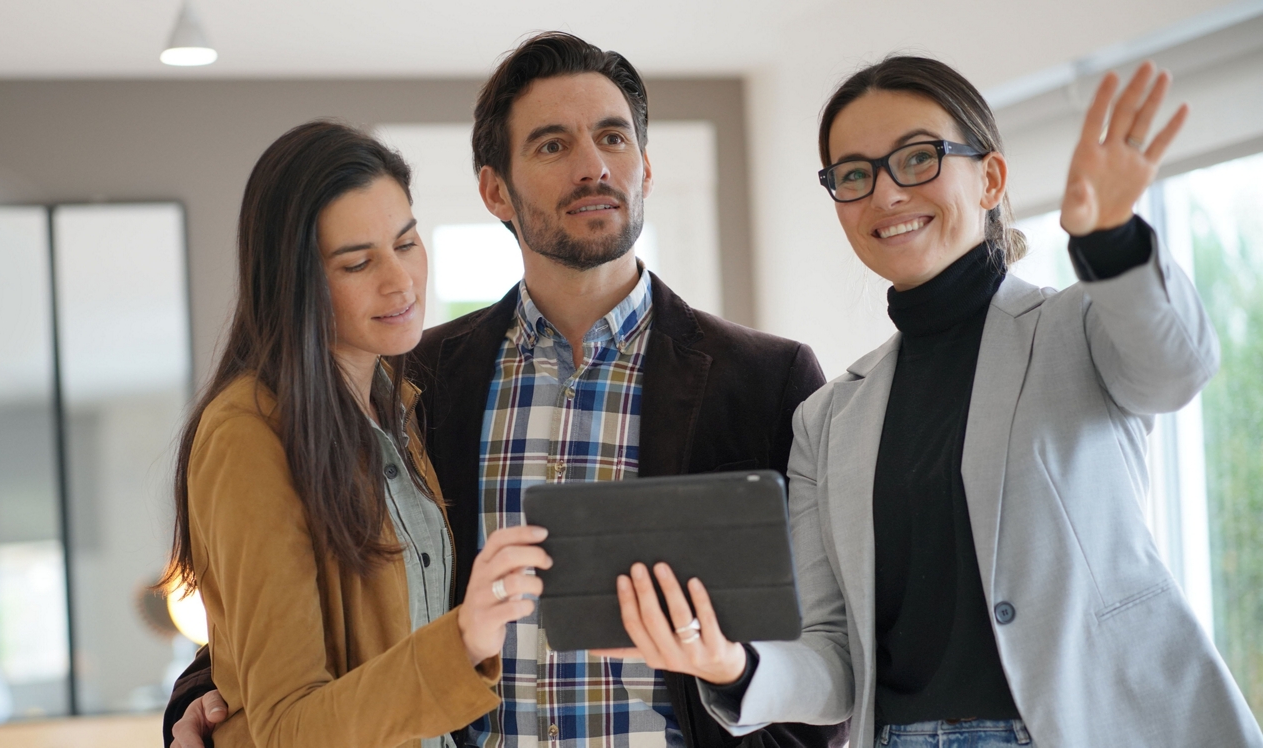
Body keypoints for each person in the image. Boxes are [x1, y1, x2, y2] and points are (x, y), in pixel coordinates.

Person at [165, 33, 848, 748]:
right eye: (552, 145)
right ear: (495, 189)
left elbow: (825, 647)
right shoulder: (411, 382)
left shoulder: (770, 382)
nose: (592, 166)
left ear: (645, 166)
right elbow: (321, 605)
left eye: (612, 137)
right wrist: (206, 695)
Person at [611, 57, 1263, 747]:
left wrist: (1111, 238)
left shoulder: (1075, 328)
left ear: (991, 178)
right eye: (854, 174)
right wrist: (731, 665)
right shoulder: (829, 419)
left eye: (917, 158)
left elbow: (1177, 369)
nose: (886, 192)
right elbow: (836, 659)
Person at [158, 120, 555, 748]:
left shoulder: (394, 408)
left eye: (406, 242)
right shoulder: (247, 436)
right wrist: (465, 642)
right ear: (295, 283)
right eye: (357, 262)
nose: (399, 281)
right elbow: (286, 727)